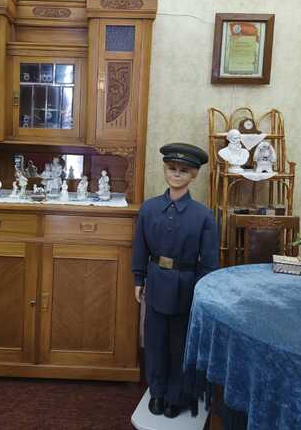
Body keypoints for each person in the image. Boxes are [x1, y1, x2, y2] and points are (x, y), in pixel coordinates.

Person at [132, 142, 219, 418]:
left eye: (183, 170)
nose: (176, 174)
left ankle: (176, 396)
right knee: (155, 340)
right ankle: (157, 392)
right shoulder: (149, 209)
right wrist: (139, 278)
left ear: (194, 174)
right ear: (164, 170)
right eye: (172, 168)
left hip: (187, 286)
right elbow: (140, 247)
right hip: (157, 281)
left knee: (181, 343)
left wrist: (203, 293)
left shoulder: (203, 215)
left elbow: (209, 260)